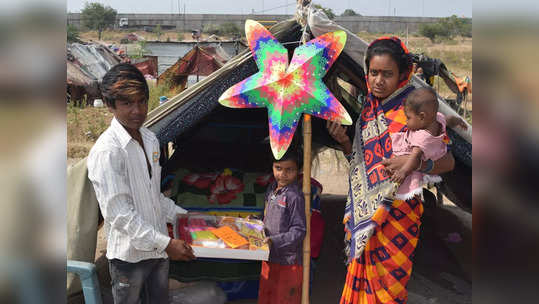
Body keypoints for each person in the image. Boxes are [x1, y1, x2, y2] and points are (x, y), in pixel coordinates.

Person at [326, 37, 456, 303]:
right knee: (362, 281)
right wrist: (344, 142)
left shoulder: (416, 110)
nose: (379, 81)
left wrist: (415, 164)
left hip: (399, 215)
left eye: (387, 74)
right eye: (374, 73)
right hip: (366, 217)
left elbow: (449, 162)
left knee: (389, 288)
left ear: (402, 74)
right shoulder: (368, 111)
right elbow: (362, 164)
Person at [87, 63, 195, 304]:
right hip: (129, 258)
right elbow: (120, 215)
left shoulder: (150, 139)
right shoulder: (108, 151)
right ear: (109, 104)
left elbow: (153, 196)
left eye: (142, 101)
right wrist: (166, 243)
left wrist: (188, 218)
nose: (137, 111)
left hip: (157, 251)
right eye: (127, 103)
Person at [390, 87, 468, 200]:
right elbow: (448, 120)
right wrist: (458, 121)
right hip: (436, 153)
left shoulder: (422, 138)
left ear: (422, 116)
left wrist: (403, 172)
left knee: (410, 181)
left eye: (408, 118)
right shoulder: (437, 119)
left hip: (407, 152)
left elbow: (414, 157)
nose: (406, 122)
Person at [258, 150, 306, 304]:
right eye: (278, 168)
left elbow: (299, 231)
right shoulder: (271, 189)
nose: (283, 174)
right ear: (272, 167)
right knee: (267, 297)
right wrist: (253, 223)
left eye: (289, 170)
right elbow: (266, 216)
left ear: (298, 171)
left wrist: (274, 241)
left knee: (283, 299)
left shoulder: (295, 196)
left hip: (287, 262)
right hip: (268, 257)